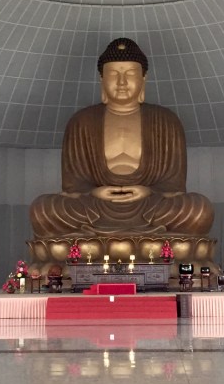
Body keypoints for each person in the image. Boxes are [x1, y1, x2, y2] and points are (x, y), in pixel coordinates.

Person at [29, 38, 214, 237]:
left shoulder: (166, 121)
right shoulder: (82, 121)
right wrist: (94, 193)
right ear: (102, 79)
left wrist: (148, 192)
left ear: (144, 78)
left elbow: (174, 186)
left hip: (150, 206)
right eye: (114, 74)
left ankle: (88, 246)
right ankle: (153, 246)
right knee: (43, 210)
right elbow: (73, 185)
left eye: (131, 74)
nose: (122, 82)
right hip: (96, 207)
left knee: (199, 209)